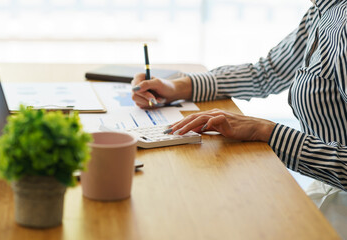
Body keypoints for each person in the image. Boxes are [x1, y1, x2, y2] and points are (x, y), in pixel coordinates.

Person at [131, 0, 347, 237]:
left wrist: (267, 132)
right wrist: (179, 87)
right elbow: (269, 72)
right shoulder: (325, 9)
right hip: (327, 186)